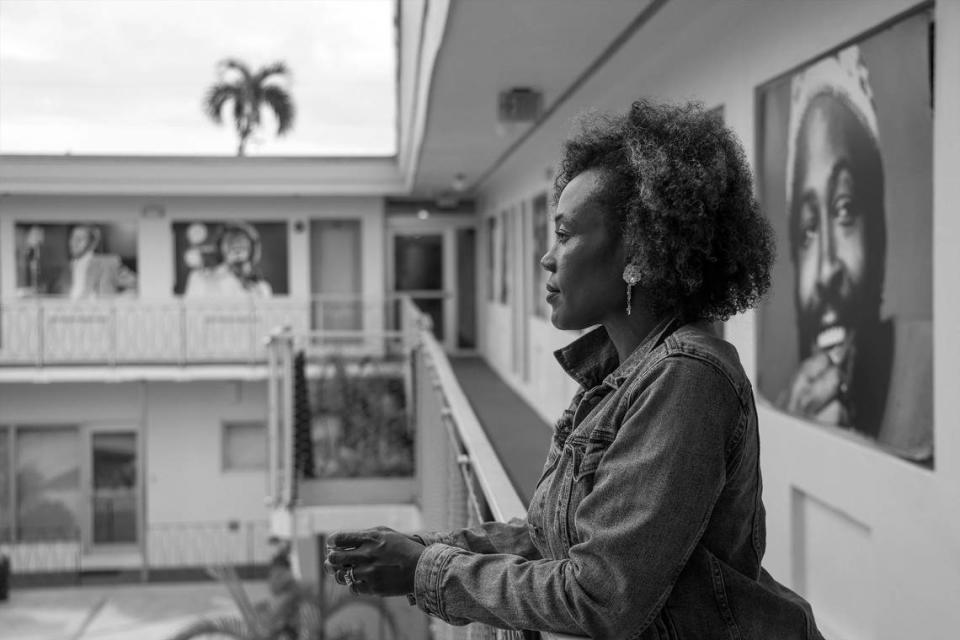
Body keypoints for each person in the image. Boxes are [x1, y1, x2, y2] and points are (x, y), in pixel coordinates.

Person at [324, 100, 824, 639]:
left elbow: (600, 595)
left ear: (639, 251)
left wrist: (426, 572)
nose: (546, 257)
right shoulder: (621, 374)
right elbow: (549, 534)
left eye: (565, 234)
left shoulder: (688, 376)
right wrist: (426, 550)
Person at [778, 47, 932, 460]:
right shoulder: (785, 402)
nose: (827, 268)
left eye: (845, 209)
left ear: (878, 230)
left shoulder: (937, 365)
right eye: (808, 230)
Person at [184, 221, 273, 298]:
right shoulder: (200, 277)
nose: (237, 249)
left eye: (242, 242)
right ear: (220, 249)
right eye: (230, 242)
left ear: (252, 250)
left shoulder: (262, 288)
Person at [51, 224, 137, 299]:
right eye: (72, 238)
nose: (74, 243)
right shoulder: (64, 269)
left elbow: (137, 286)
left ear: (92, 244)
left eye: (79, 239)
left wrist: (115, 302)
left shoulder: (108, 263)